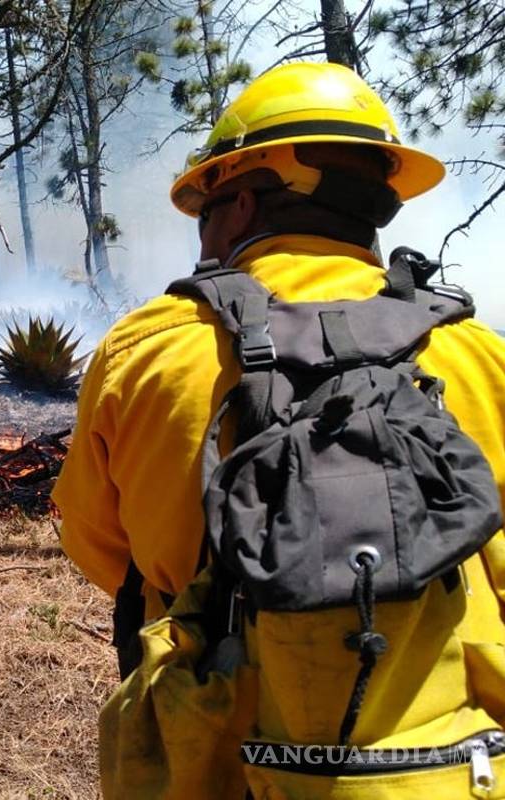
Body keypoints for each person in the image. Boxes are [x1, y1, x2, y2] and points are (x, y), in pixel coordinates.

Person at [52, 64, 505, 796]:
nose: (202, 233)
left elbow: (100, 546)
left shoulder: (144, 353)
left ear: (242, 203)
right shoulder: (478, 353)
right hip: (449, 766)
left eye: (206, 207)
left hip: (219, 755)